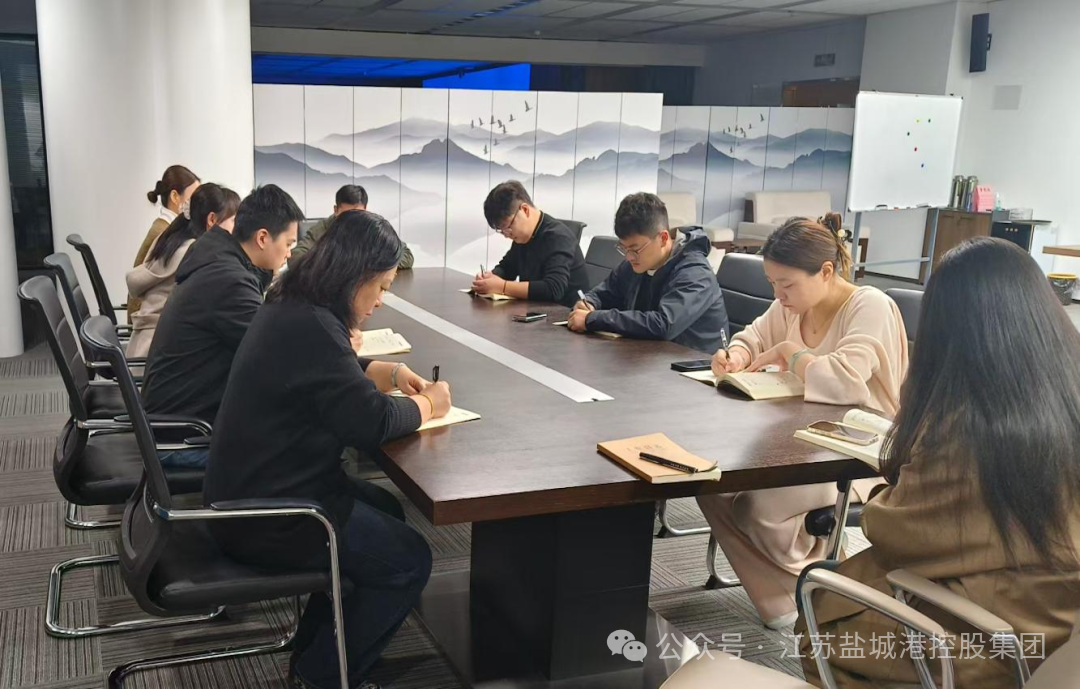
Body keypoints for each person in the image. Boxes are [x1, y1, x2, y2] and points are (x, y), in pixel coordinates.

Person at [799, 237, 1080, 687]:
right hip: (1059, 632)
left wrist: (884, 497)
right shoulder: (1066, 396)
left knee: (819, 606)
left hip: (990, 641)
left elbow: (900, 531)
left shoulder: (970, 425)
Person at [204, 211, 449, 689]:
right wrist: (428, 404)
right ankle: (321, 676)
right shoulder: (313, 325)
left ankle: (317, 650)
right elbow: (371, 423)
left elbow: (328, 368)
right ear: (356, 276)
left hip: (253, 487)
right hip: (270, 514)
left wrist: (389, 371)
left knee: (386, 510)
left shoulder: (294, 303)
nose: (381, 300)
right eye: (381, 287)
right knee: (410, 560)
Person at [697, 214, 908, 629]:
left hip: (857, 452)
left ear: (826, 272)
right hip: (801, 439)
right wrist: (736, 355)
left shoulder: (869, 306)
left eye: (786, 284)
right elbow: (755, 336)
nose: (778, 294)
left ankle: (829, 592)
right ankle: (789, 598)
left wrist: (790, 353)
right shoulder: (791, 304)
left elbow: (845, 382)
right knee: (711, 487)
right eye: (772, 283)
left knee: (757, 507)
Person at [140, 184, 304, 468]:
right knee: (300, 446)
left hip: (179, 421)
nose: (289, 253)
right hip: (184, 438)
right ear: (262, 238)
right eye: (288, 244)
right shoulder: (228, 281)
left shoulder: (219, 260)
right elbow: (277, 353)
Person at [568, 192, 729, 353]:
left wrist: (593, 319)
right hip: (648, 356)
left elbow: (663, 324)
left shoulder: (695, 273)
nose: (629, 257)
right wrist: (589, 303)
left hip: (693, 362)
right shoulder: (637, 264)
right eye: (624, 248)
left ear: (663, 238)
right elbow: (606, 292)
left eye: (635, 249)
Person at [125, 184, 240, 358]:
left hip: (147, 345)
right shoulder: (192, 253)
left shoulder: (173, 239)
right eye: (233, 221)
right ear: (212, 220)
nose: (236, 229)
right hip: (156, 353)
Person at [472, 180, 589, 307]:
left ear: (525, 210)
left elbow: (553, 288)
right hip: (535, 309)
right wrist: (490, 277)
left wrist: (502, 286)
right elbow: (507, 268)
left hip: (565, 313)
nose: (506, 235)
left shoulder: (558, 237)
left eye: (508, 227)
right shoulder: (523, 236)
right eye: (502, 231)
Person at [288, 184, 415, 270]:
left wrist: (371, 262)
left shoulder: (373, 227)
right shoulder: (323, 228)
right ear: (336, 210)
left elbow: (407, 256)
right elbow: (295, 257)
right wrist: (333, 263)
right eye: (347, 214)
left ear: (365, 210)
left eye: (358, 213)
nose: (352, 219)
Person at [131, 165, 200, 318]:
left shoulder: (165, 226)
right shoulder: (165, 232)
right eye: (194, 198)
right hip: (146, 316)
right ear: (175, 197)